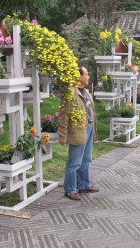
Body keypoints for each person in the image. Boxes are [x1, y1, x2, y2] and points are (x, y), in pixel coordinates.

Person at [58, 66, 99, 200]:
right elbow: (64, 115)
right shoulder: (70, 93)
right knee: (74, 162)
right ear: (79, 76)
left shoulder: (86, 91)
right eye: (86, 74)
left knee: (86, 160)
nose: (88, 76)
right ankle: (70, 189)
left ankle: (83, 185)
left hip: (89, 128)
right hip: (77, 131)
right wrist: (62, 135)